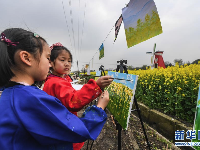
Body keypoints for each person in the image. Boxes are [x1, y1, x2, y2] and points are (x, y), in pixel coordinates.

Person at [0, 28, 110, 150]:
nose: (49, 64)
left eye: (69, 61)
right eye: (47, 58)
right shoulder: (32, 99)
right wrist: (99, 107)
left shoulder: (10, 94)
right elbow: (76, 129)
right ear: (27, 58)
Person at [43, 42, 113, 150]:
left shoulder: (58, 80)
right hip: (65, 132)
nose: (67, 63)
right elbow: (73, 101)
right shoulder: (56, 83)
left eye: (69, 61)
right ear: (51, 63)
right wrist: (96, 85)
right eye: (62, 60)